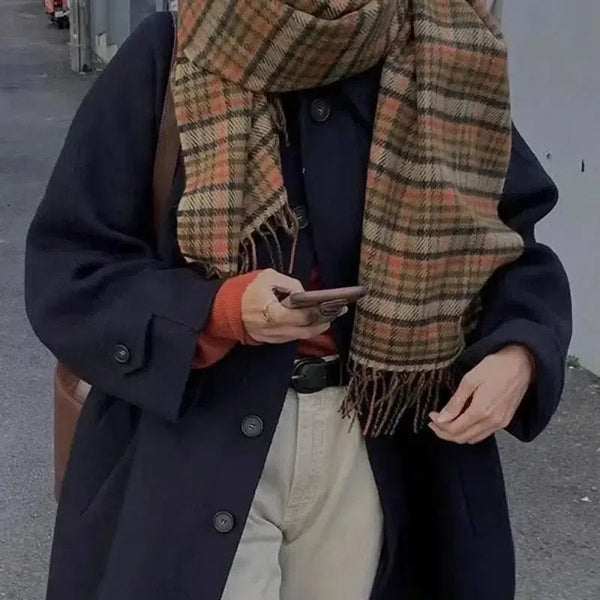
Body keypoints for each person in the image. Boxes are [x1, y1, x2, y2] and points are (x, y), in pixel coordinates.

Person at [25, 1, 572, 599]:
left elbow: (512, 247)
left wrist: (519, 351)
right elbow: (73, 265)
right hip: (192, 445)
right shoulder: (174, 48)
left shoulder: (446, 46)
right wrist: (218, 312)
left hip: (385, 445)